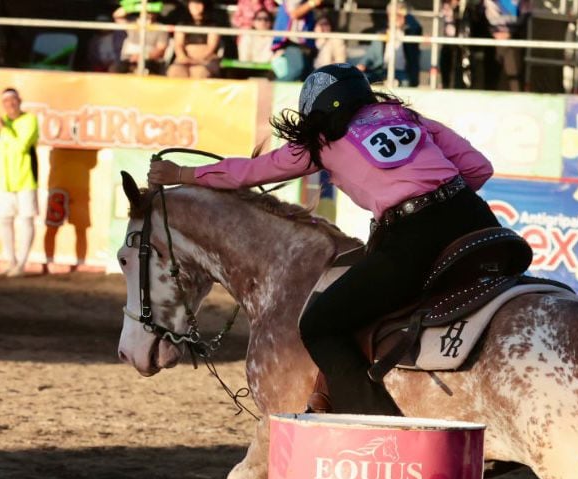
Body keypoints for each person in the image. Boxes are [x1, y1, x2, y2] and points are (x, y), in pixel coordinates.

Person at [147, 64, 499, 416]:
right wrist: (441, 198)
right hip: (479, 222)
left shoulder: (320, 141)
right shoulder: (406, 117)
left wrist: (183, 174)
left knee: (319, 326)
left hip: (412, 238)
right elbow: (479, 168)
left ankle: (374, 420)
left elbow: (251, 172)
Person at [0, 88, 39, 277]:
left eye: (13, 100)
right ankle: (10, 261)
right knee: (5, 221)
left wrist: (5, 129)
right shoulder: (0, 124)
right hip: (3, 181)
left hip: (25, 179)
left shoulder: (29, 120)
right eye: (6, 101)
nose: (10, 104)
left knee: (26, 219)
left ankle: (21, 263)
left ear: (19, 101)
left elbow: (21, 147)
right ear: (3, 104)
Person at [358, 4, 422, 87]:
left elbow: (417, 27)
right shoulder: (382, 34)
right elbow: (371, 54)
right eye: (393, 15)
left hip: (402, 72)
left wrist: (403, 14)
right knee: (365, 79)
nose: (396, 18)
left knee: (405, 83)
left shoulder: (411, 33)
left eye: (399, 15)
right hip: (381, 71)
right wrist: (362, 64)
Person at [167, 0, 223, 78]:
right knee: (175, 71)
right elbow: (178, 44)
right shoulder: (183, 24)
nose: (195, 7)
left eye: (198, 3)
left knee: (199, 72)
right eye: (193, 4)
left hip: (205, 59)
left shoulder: (212, 25)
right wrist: (183, 57)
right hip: (185, 58)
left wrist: (198, 60)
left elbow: (211, 46)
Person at [111, 2, 170, 74]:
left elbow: (160, 50)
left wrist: (142, 56)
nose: (148, 14)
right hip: (130, 60)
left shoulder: (160, 28)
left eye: (151, 12)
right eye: (146, 12)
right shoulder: (133, 24)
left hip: (150, 62)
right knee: (115, 69)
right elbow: (117, 16)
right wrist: (135, 6)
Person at [271, 0, 322, 81]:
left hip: (305, 45)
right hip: (289, 44)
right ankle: (270, 89)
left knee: (308, 77)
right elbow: (294, 14)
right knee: (296, 70)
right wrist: (312, 3)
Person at [438, 0, 468, 89]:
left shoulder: (463, 8)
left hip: (460, 44)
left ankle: (457, 86)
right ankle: (445, 85)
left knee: (458, 67)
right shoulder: (444, 7)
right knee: (445, 65)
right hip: (446, 42)